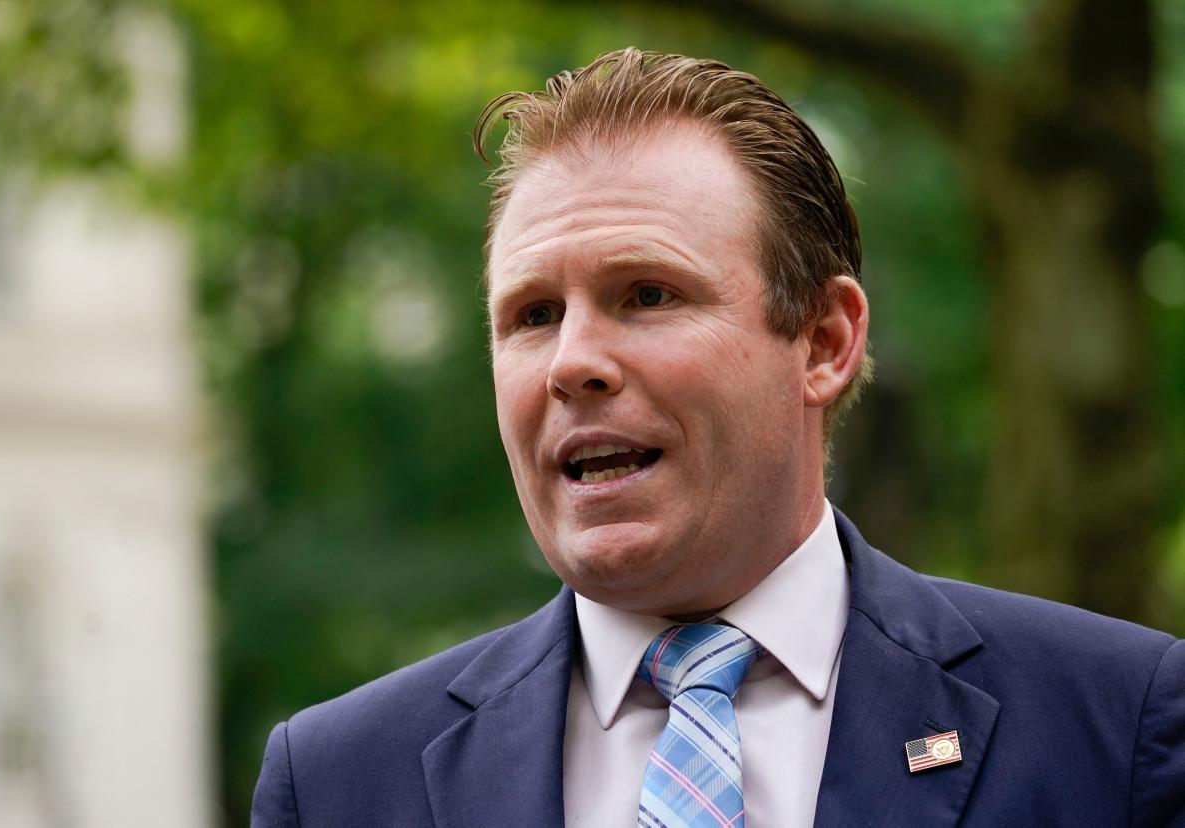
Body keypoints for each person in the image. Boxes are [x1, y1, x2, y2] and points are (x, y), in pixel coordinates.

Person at [251, 48, 1184, 827]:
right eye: (533, 314)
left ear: (823, 342)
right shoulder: (338, 783)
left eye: (647, 295)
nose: (572, 362)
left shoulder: (1114, 725)